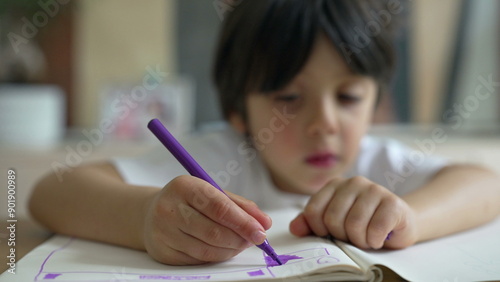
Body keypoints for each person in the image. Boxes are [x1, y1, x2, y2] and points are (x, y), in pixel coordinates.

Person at [29, 0, 500, 266]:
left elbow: (486, 185)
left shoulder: (377, 163)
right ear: (238, 110)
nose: (325, 124)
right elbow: (52, 192)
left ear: (376, 100)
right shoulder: (220, 156)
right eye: (289, 99)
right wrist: (145, 216)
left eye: (350, 98)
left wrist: (411, 217)